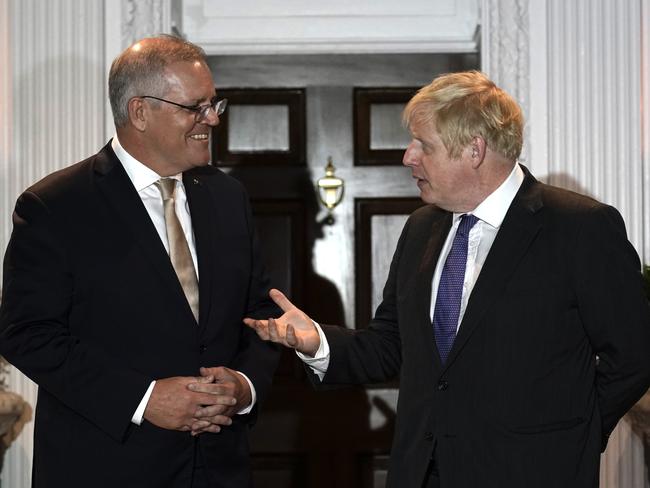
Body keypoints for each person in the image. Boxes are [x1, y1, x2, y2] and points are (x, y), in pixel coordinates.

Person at [245, 70, 650, 488]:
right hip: (420, 474)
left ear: (474, 149)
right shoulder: (422, 227)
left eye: (424, 144)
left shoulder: (579, 227)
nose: (407, 156)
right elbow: (391, 345)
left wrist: (571, 437)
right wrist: (316, 340)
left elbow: (633, 357)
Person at [0, 35, 280, 488]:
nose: (211, 119)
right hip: (105, 468)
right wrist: (143, 399)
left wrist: (243, 388)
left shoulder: (228, 197)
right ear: (140, 112)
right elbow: (26, 334)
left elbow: (261, 314)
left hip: (219, 469)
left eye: (214, 104)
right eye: (195, 107)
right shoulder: (56, 206)